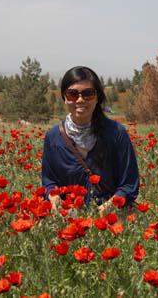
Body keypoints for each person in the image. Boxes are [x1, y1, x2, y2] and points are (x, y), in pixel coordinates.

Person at [41, 66, 139, 215]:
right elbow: (49, 181)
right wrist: (53, 197)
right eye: (72, 94)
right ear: (64, 98)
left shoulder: (116, 134)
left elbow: (129, 184)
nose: (80, 100)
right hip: (70, 220)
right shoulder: (53, 138)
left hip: (111, 218)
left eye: (87, 94)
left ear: (97, 97)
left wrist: (105, 209)